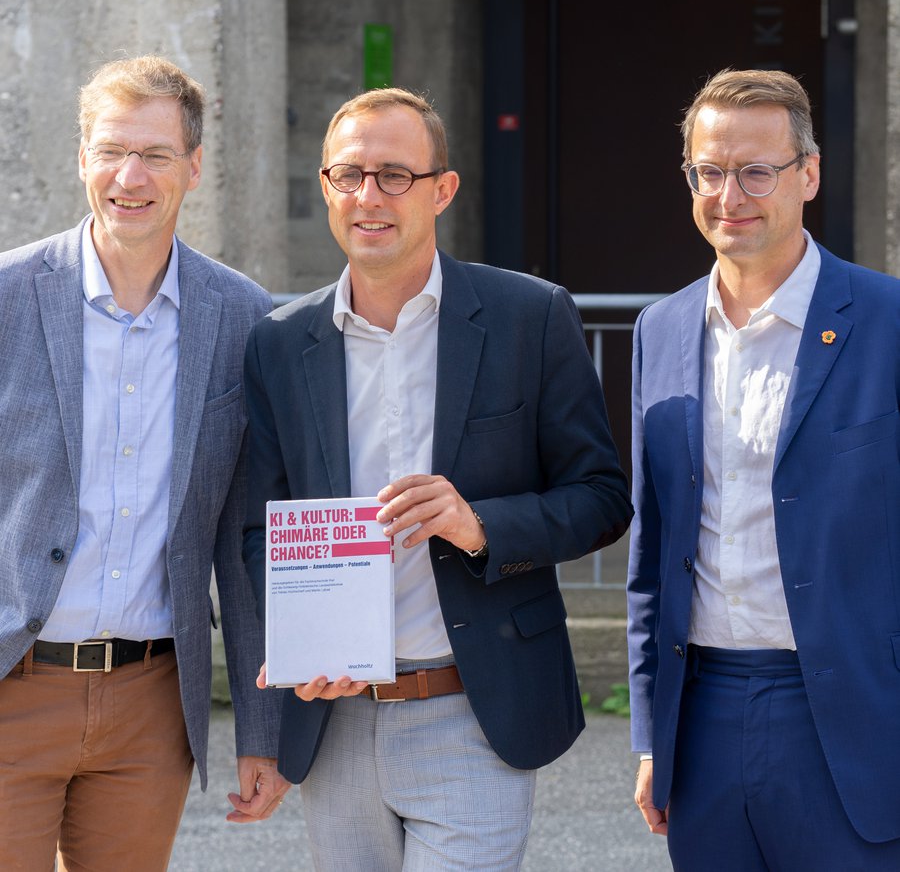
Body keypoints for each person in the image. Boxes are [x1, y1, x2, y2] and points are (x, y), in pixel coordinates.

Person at [242, 86, 633, 870]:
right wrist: (298, 639)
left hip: (472, 708)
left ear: (442, 190)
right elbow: (259, 527)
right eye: (349, 175)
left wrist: (479, 525)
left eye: (395, 175)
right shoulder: (280, 343)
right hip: (336, 720)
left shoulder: (529, 317)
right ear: (326, 187)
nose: (369, 196)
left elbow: (600, 498)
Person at [0, 55, 289, 871]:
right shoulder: (7, 296)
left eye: (156, 155)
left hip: (150, 704)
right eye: (111, 151)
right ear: (81, 159)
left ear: (193, 168)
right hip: (12, 683)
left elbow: (246, 536)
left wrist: (262, 730)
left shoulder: (242, 315)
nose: (130, 177)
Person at [628, 67, 900, 870]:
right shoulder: (660, 329)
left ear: (807, 174)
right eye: (709, 172)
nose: (729, 196)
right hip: (703, 715)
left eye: (756, 171)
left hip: (851, 713)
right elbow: (652, 553)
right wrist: (651, 735)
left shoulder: (886, 321)